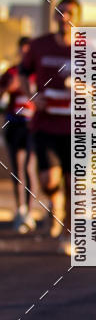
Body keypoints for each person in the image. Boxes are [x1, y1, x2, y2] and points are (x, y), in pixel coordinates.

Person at [20, 0, 81, 254]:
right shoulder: (39, 45)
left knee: (72, 183)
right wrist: (33, 96)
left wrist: (81, 88)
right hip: (45, 124)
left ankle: (68, 234)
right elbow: (23, 73)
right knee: (48, 180)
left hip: (76, 127)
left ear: (77, 17)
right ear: (55, 16)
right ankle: (54, 202)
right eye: (60, 12)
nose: (64, 17)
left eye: (70, 13)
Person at [0, 37, 37, 232]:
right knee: (17, 169)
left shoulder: (39, 73)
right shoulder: (11, 73)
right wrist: (8, 88)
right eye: (23, 51)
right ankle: (20, 210)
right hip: (14, 123)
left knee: (30, 167)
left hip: (33, 125)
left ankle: (29, 211)